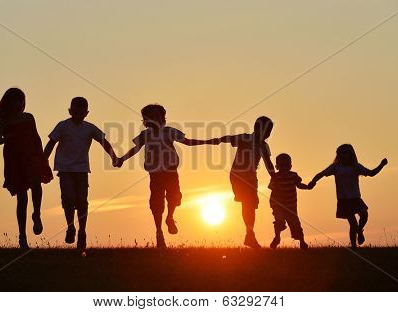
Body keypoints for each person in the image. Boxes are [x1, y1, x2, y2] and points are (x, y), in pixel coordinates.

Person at [118, 104, 217, 248]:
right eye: (150, 117)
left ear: (163, 118)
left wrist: (208, 142)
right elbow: (135, 149)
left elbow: (188, 142)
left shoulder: (169, 131)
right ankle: (159, 232)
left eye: (157, 116)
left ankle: (170, 218)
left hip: (170, 172)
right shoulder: (145, 135)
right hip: (155, 174)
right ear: (146, 121)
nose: (155, 119)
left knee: (175, 197)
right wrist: (122, 159)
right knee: (156, 203)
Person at [44, 97, 120, 252]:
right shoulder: (63, 126)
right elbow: (51, 143)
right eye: (75, 111)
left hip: (82, 169)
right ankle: (70, 227)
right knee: (68, 198)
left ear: (86, 113)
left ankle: (82, 232)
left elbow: (103, 142)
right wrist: (42, 162)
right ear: (70, 111)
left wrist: (113, 157)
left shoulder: (89, 128)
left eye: (81, 112)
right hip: (65, 169)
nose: (78, 115)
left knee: (82, 201)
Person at [0, 88, 53, 250]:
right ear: (9, 103)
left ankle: (37, 214)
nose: (20, 104)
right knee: (22, 198)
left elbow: (37, 137)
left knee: (36, 184)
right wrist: (10, 137)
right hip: (14, 159)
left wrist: (42, 158)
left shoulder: (29, 117)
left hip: (31, 155)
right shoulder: (4, 120)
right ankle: (22, 237)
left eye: (22, 101)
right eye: (16, 101)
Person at [308, 144, 388, 249]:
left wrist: (381, 165)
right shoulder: (335, 167)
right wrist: (313, 181)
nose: (342, 155)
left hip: (355, 198)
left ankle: (360, 230)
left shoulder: (355, 166)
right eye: (339, 153)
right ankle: (354, 247)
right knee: (353, 224)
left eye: (345, 153)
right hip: (343, 200)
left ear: (351, 154)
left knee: (364, 215)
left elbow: (371, 173)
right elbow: (322, 174)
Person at [215, 116, 275, 248]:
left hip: (251, 177)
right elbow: (228, 138)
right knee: (247, 203)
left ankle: (249, 234)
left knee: (251, 205)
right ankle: (250, 234)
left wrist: (275, 178)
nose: (269, 134)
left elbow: (268, 164)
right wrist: (215, 140)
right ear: (258, 128)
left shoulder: (264, 146)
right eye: (268, 130)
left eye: (271, 131)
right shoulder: (245, 138)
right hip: (238, 176)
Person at [268, 153, 310, 249]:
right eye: (282, 165)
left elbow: (299, 185)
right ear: (277, 166)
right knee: (279, 221)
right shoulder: (275, 177)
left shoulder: (293, 175)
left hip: (291, 207)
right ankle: (277, 237)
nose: (284, 167)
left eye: (286, 165)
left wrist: (307, 187)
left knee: (296, 225)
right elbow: (272, 190)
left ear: (290, 166)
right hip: (278, 205)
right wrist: (272, 204)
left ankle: (302, 242)